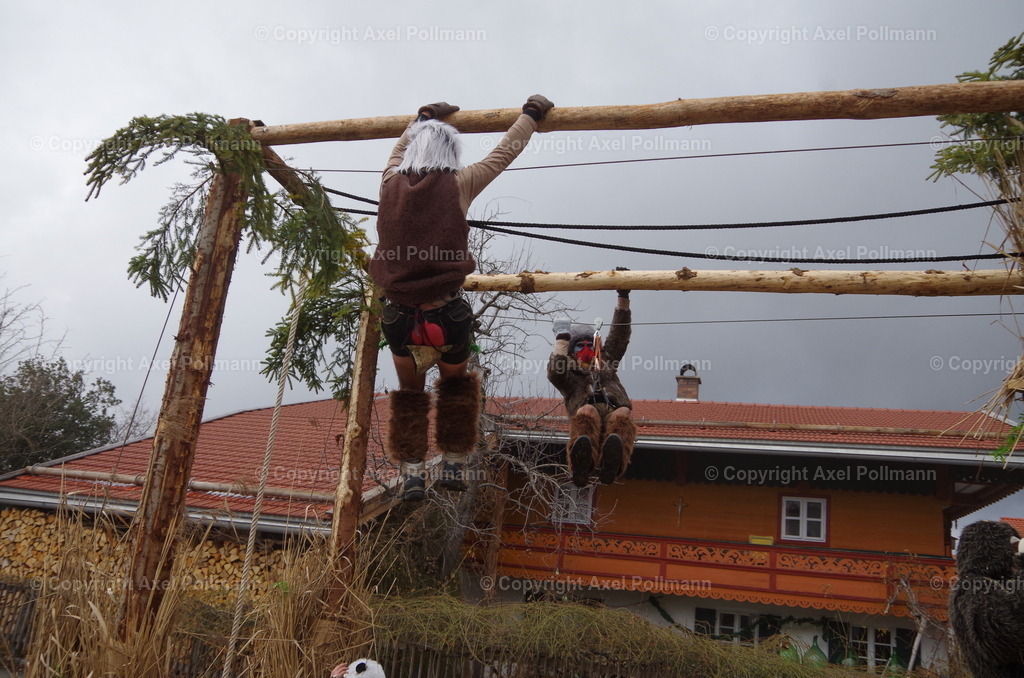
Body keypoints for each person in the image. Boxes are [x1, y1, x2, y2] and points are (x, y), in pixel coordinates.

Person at [369, 95, 554, 501]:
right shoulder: (459, 184)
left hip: (400, 318)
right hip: (447, 314)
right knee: (454, 388)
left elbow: (398, 149)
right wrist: (531, 115)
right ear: (450, 152)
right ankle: (453, 460)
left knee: (411, 395)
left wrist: (422, 117)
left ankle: (413, 472)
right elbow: (505, 152)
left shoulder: (388, 183)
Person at [547, 281, 636, 487]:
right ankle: (582, 464)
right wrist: (561, 340)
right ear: (572, 350)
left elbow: (619, 336)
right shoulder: (569, 373)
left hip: (612, 408)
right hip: (587, 413)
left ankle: (611, 465)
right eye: (580, 345)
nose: (586, 349)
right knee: (588, 411)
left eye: (590, 345)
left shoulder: (606, 362)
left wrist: (623, 297)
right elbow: (554, 373)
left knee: (623, 413)